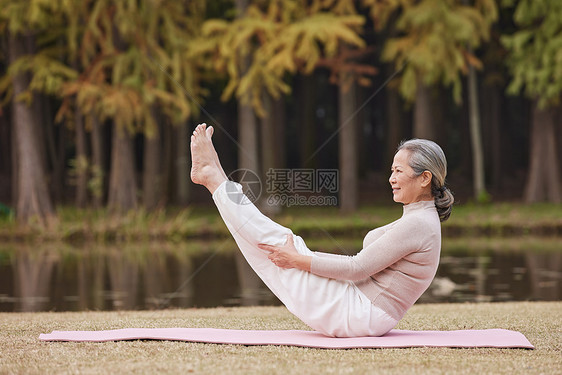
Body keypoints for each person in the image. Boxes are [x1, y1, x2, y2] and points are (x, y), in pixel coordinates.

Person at [190, 123, 454, 337]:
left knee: (278, 243)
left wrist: (298, 260)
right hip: (360, 309)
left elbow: (356, 268)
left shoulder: (418, 224)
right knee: (276, 245)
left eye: (398, 171)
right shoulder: (419, 219)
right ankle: (216, 179)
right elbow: (357, 269)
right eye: (391, 170)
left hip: (357, 313)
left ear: (424, 178)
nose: (391, 178)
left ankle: (214, 178)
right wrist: (300, 258)